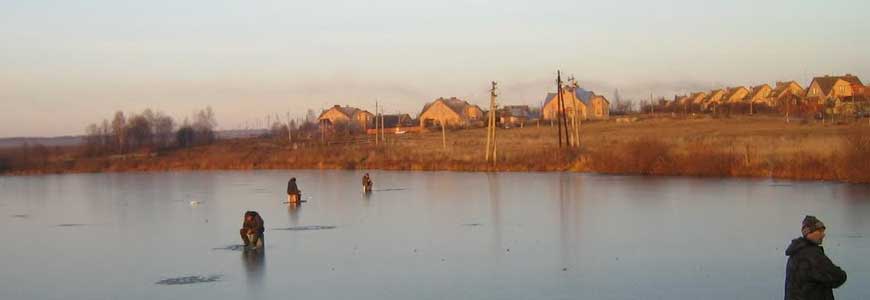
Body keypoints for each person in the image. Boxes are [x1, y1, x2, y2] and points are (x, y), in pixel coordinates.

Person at [784, 215, 847, 300]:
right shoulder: (813, 256)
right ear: (809, 233)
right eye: (820, 231)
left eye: (823, 231)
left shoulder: (794, 253)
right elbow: (838, 277)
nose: (823, 234)